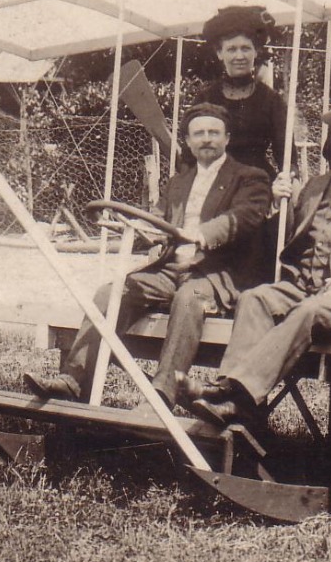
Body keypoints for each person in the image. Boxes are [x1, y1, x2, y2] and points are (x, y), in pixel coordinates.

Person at [186, 95, 331, 430]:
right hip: (305, 287)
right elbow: (289, 243)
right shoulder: (313, 186)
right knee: (254, 298)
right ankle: (235, 401)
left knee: (309, 312)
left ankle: (233, 396)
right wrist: (277, 206)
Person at [26, 104, 271, 410]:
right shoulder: (179, 182)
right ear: (188, 141)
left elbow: (244, 217)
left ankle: (162, 395)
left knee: (189, 298)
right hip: (169, 271)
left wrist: (202, 234)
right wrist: (139, 230)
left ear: (227, 137)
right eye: (199, 134)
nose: (206, 139)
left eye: (214, 133)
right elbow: (156, 220)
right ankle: (73, 381)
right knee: (111, 292)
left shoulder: (249, 178)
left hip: (212, 276)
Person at [193, 5, 287, 178]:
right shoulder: (205, 98)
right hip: (214, 183)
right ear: (219, 53)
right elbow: (189, 156)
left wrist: (290, 179)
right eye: (231, 49)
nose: (239, 56)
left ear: (256, 51)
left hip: (257, 184)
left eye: (245, 48)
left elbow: (287, 156)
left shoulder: (271, 100)